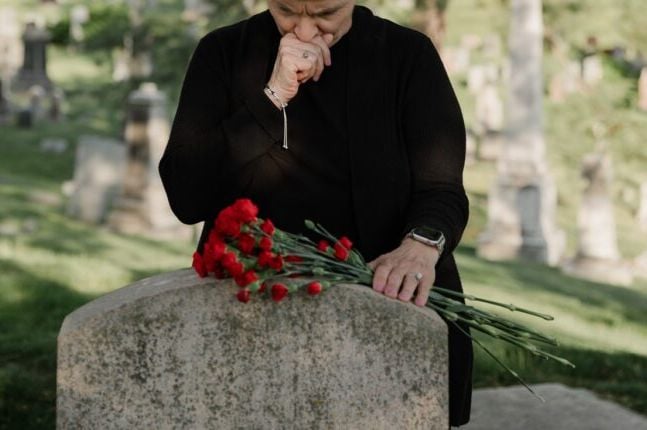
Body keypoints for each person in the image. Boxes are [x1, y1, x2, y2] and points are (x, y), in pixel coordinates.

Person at [159, 0, 472, 426]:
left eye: (325, 15)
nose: (304, 31)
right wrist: (273, 97)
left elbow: (442, 189)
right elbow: (186, 196)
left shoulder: (407, 55)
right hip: (258, 318)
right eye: (287, 10)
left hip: (388, 312)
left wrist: (420, 247)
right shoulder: (223, 52)